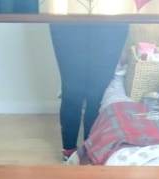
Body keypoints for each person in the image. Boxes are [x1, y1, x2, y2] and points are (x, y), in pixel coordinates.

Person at [50, 23, 129, 161]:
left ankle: (89, 150)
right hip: (69, 20)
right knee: (72, 91)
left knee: (96, 95)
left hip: (111, 21)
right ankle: (69, 151)